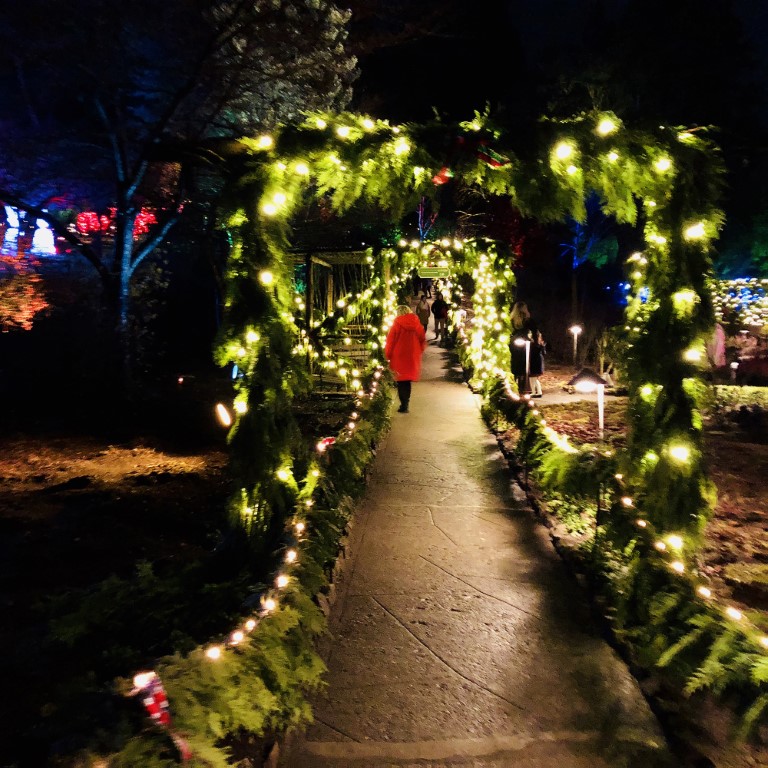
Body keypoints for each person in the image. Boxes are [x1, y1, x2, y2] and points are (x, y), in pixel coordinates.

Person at [384, 305, 427, 413]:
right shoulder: (417, 324)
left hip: (399, 355)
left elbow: (390, 341)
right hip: (412, 355)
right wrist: (419, 351)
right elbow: (422, 339)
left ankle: (404, 404)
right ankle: (406, 402)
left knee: (401, 381)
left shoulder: (396, 325)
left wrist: (388, 354)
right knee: (407, 381)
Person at [509, 300, 537, 393]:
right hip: (525, 345)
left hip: (515, 345)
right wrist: (535, 343)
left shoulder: (511, 320)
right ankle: (522, 387)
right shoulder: (528, 320)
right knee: (523, 366)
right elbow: (534, 332)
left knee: (516, 365)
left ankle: (517, 385)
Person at [529, 330, 546, 397]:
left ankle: (536, 392)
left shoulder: (536, 344)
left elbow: (539, 352)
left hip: (535, 362)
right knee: (533, 378)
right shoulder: (538, 344)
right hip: (535, 362)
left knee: (533, 378)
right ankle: (537, 392)